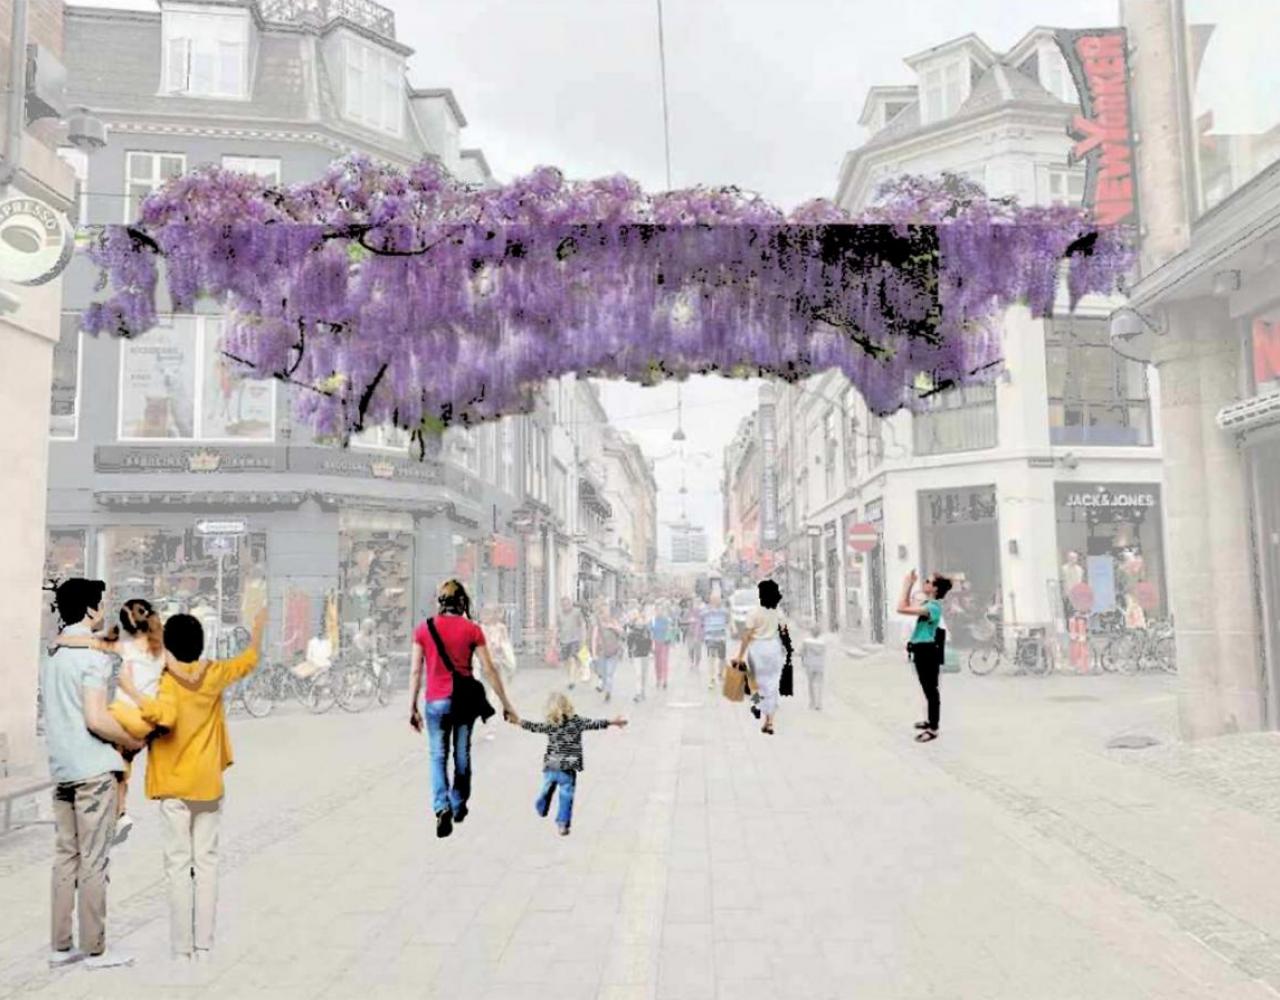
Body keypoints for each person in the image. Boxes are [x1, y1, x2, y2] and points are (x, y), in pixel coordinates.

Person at [115, 606, 266, 962]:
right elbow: (248, 661)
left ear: (169, 645)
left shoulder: (166, 681)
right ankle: (205, 945)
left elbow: (163, 715)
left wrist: (133, 692)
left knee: (179, 867)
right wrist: (258, 629)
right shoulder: (213, 674)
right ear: (201, 643)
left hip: (173, 785)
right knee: (208, 863)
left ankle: (181, 949)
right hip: (208, 783)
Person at [41, 579, 144, 970]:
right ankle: (96, 949)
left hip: (62, 768)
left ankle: (60, 946)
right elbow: (97, 718)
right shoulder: (93, 658)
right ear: (89, 610)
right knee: (94, 860)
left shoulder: (51, 654)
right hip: (93, 769)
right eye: (99, 603)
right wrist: (130, 739)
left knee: (65, 856)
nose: (103, 608)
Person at [409, 580, 518, 839]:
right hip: (463, 701)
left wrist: (412, 705)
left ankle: (441, 807)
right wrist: (506, 704)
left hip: (435, 701)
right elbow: (489, 669)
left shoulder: (423, 630)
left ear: (440, 602)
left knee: (437, 755)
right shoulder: (473, 630)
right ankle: (458, 804)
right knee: (461, 753)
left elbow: (415, 670)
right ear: (463, 603)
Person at [54, 598, 167, 846]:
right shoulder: (161, 649)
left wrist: (62, 640)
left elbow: (88, 642)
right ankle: (120, 814)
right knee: (122, 764)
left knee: (94, 728)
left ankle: (106, 813)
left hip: (124, 714)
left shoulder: (126, 647)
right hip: (145, 720)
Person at [511, 692, 627, 835]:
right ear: (568, 707)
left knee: (547, 786)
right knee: (566, 796)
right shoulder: (577, 722)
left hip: (552, 766)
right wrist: (613, 722)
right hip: (568, 768)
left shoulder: (550, 725)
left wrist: (518, 721)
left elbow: (534, 727)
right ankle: (562, 824)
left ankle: (542, 802)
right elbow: (595, 724)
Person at [897, 570, 953, 744]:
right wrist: (910, 586)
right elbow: (905, 606)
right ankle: (930, 720)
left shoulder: (933, 607)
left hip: (927, 650)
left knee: (931, 690)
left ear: (935, 588)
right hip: (921, 650)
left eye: (928, 581)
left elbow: (901, 608)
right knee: (927, 688)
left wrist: (907, 584)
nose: (925, 583)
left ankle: (933, 729)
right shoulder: (928, 603)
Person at [731, 580, 790, 736]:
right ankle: (769, 720)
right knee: (772, 680)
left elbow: (747, 635)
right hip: (773, 647)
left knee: (755, 680)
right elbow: (784, 630)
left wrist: (740, 655)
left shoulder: (754, 612)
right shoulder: (776, 611)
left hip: (757, 648)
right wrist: (786, 647)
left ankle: (757, 703)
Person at [592, 603, 626, 704]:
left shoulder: (614, 622)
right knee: (603, 673)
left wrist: (613, 627)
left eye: (607, 611)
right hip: (601, 652)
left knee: (609, 673)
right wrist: (594, 653)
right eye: (604, 612)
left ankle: (608, 692)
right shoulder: (598, 624)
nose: (606, 614)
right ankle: (604, 685)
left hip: (613, 651)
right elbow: (594, 638)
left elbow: (622, 633)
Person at [623, 602, 652, 703]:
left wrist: (650, 651)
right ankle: (638, 693)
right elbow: (629, 644)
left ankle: (642, 691)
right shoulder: (632, 632)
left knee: (644, 675)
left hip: (645, 655)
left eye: (641, 621)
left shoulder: (646, 631)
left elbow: (650, 642)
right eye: (638, 621)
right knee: (638, 675)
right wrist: (630, 655)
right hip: (637, 655)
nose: (640, 622)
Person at [701, 593, 730, 691]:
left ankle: (720, 674)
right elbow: (701, 619)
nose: (716, 601)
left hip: (721, 637)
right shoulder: (705, 610)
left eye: (717, 599)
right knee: (711, 658)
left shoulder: (724, 611)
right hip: (710, 637)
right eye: (713, 599)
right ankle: (712, 678)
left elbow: (728, 619)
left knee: (722, 658)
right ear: (710, 600)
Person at [556, 597, 586, 691]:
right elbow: (558, 627)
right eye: (563, 605)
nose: (565, 607)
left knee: (572, 659)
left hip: (574, 639)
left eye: (567, 604)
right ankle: (570, 676)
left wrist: (583, 637)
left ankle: (571, 681)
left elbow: (582, 624)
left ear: (570, 604)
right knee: (566, 662)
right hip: (564, 640)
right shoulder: (559, 615)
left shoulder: (576, 613)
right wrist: (556, 638)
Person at [801, 619, 827, 711]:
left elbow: (802, 652)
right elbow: (823, 652)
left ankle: (812, 702)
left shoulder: (806, 641)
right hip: (820, 665)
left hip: (810, 665)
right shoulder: (823, 642)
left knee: (811, 684)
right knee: (819, 684)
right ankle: (819, 703)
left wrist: (803, 662)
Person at [650, 600, 676, 691]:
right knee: (657, 662)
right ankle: (658, 678)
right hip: (656, 642)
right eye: (657, 610)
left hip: (665, 642)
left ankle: (665, 679)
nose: (659, 612)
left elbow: (671, 630)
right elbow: (650, 631)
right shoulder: (653, 620)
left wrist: (671, 641)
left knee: (664, 661)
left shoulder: (667, 620)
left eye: (661, 610)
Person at [681, 598, 704, 678]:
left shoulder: (702, 613)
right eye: (695, 603)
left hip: (699, 635)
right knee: (691, 649)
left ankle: (697, 664)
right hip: (690, 634)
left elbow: (705, 623)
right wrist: (688, 621)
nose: (696, 605)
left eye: (698, 603)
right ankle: (691, 661)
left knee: (698, 651)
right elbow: (682, 622)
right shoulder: (688, 612)